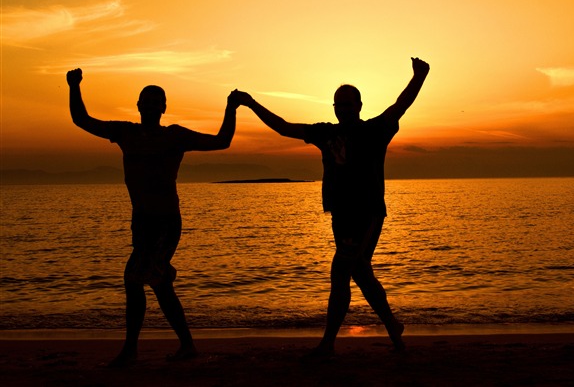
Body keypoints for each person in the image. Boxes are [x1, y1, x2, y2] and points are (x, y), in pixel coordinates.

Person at [233, 57, 430, 356]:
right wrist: (250, 103)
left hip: (367, 213)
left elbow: (400, 105)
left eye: (348, 104)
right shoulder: (325, 132)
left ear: (360, 106)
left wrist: (419, 76)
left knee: (341, 272)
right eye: (338, 104)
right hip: (340, 215)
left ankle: (327, 344)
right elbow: (284, 128)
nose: (343, 109)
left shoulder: (374, 130)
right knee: (360, 272)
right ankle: (392, 325)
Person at [67, 68, 242, 367]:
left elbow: (222, 140)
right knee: (158, 284)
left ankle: (132, 350)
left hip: (165, 223)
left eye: (155, 102)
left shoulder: (175, 136)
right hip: (142, 223)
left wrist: (230, 108)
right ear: (137, 106)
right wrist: (74, 86)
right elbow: (82, 120)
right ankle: (184, 346)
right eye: (144, 102)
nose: (149, 107)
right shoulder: (126, 132)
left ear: (163, 108)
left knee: (134, 279)